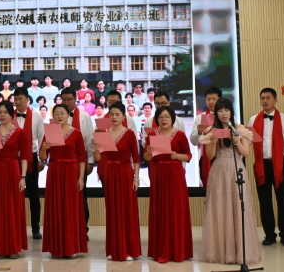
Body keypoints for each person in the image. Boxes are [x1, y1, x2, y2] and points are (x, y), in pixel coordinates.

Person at [198, 98, 261, 265]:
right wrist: (212, 142)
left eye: (226, 110)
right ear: (216, 113)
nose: (223, 113)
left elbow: (246, 153)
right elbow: (210, 156)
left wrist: (237, 141)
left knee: (238, 208)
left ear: (231, 111)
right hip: (219, 171)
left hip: (236, 170)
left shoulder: (240, 129)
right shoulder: (211, 129)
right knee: (220, 209)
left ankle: (240, 252)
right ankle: (221, 252)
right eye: (220, 110)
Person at [247, 88, 284, 247]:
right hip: (261, 165)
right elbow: (248, 142)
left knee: (283, 201)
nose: (265, 101)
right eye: (262, 98)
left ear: (275, 100)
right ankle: (269, 234)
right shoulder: (253, 120)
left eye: (268, 98)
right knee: (265, 201)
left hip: (281, 163)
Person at [93, 103, 141, 261]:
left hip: (126, 173)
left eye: (117, 114)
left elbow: (136, 158)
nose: (114, 117)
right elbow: (98, 158)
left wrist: (136, 178)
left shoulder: (129, 134)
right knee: (112, 210)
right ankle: (114, 249)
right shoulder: (104, 134)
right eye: (112, 114)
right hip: (111, 174)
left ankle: (129, 250)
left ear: (123, 117)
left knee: (127, 211)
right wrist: (96, 148)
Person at [144, 106, 192, 263]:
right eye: (161, 117)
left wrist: (177, 156)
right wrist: (149, 152)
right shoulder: (152, 135)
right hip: (158, 175)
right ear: (156, 120)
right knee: (160, 210)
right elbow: (147, 157)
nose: (164, 119)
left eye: (167, 116)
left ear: (172, 119)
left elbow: (188, 155)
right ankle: (160, 250)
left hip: (175, 174)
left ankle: (178, 251)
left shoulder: (180, 135)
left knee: (176, 210)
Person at [39, 104, 88, 259]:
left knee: (70, 208)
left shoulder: (76, 133)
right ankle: (56, 247)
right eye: (57, 114)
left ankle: (71, 247)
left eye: (62, 113)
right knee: (56, 207)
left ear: (68, 115)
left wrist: (81, 178)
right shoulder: (50, 132)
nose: (60, 116)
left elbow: (82, 158)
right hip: (55, 172)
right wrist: (44, 148)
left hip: (71, 172)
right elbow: (42, 157)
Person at [0, 101, 29, 259]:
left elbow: (24, 157)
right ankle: (2, 248)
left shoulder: (20, 132)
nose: (2, 115)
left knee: (13, 208)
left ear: (12, 114)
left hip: (13, 170)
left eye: (5, 112)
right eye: (0, 112)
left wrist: (23, 177)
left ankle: (14, 247)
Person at [60, 88, 94, 236]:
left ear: (75, 99)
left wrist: (90, 161)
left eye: (69, 99)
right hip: (60, 164)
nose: (67, 102)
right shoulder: (57, 117)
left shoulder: (84, 116)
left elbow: (89, 140)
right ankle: (64, 229)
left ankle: (82, 229)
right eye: (64, 99)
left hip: (79, 163)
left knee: (81, 196)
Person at [13, 87, 45, 240]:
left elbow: (41, 138)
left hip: (31, 158)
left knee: (33, 194)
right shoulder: (9, 116)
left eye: (21, 99)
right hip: (13, 158)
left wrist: (41, 159)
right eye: (16, 99)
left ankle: (35, 228)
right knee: (14, 195)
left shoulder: (36, 117)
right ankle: (15, 228)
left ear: (27, 100)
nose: (18, 102)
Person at [97, 91, 140, 185]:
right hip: (106, 166)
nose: (112, 103)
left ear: (120, 102)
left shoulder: (129, 120)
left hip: (125, 165)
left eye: (115, 101)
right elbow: (98, 147)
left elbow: (134, 145)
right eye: (110, 101)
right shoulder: (101, 119)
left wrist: (135, 174)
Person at [191, 87, 222, 188]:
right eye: (208, 99)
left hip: (223, 158)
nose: (211, 102)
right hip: (206, 158)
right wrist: (199, 132)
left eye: (214, 99)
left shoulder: (228, 117)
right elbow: (193, 141)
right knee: (209, 190)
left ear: (220, 99)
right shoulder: (200, 118)